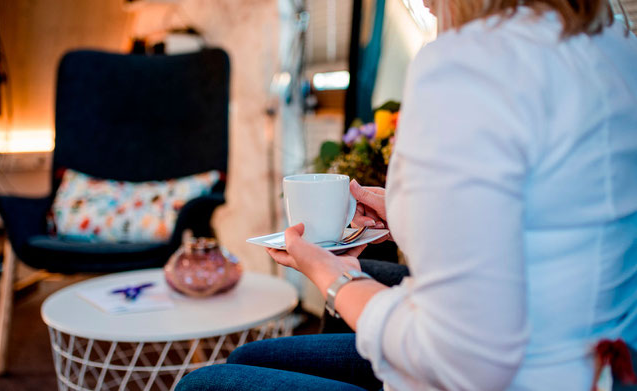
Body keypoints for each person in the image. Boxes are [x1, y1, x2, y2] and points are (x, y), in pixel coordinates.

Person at [176, 0, 637, 389]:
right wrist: (404, 214)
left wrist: (336, 280)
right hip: (600, 368)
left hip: (498, 374)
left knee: (204, 382)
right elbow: (550, 219)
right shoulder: (615, 45)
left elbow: (470, 358)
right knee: (246, 361)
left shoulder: (470, 65)